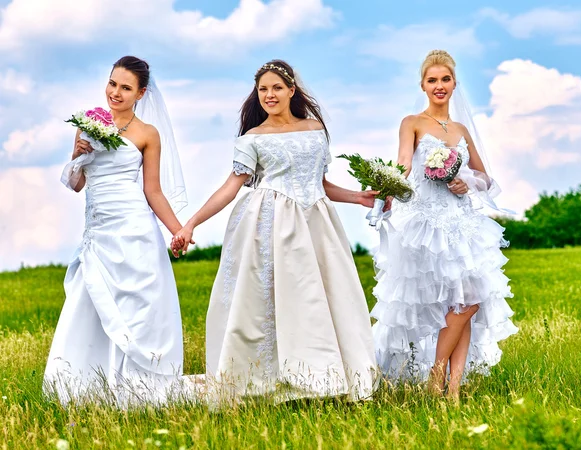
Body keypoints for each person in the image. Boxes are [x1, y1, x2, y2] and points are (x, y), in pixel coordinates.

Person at [172, 60, 378, 404]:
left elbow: (322, 183)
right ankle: (273, 381)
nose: (269, 94)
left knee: (324, 297)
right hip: (272, 223)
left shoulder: (315, 129)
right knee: (276, 300)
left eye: (277, 88)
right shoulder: (252, 138)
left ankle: (326, 378)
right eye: (263, 89)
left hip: (316, 223)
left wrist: (357, 197)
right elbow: (231, 186)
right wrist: (191, 222)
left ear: (291, 91)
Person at [371, 50, 518, 401]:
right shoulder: (412, 122)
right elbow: (404, 163)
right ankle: (438, 379)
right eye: (432, 80)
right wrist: (386, 185)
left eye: (445, 79)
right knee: (457, 304)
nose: (439, 86)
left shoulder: (462, 129)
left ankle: (451, 389)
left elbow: (484, 177)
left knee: (469, 301)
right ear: (422, 85)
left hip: (463, 223)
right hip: (428, 224)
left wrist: (466, 180)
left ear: (454, 83)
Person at [44, 56, 188, 406]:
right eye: (112, 83)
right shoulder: (87, 125)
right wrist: (78, 155)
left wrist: (177, 230)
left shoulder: (147, 134)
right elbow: (77, 185)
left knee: (136, 304)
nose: (116, 92)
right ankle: (85, 383)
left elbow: (152, 190)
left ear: (140, 93)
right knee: (91, 300)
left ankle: (138, 381)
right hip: (99, 230)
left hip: (134, 225)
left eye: (126, 87)